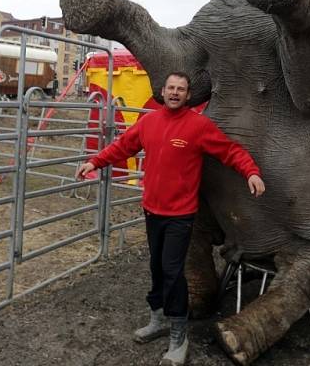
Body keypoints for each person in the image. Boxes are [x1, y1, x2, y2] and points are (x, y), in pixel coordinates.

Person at [75, 72, 265, 366]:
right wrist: (94, 161)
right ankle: (158, 317)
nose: (175, 93)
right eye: (171, 88)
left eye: (181, 89)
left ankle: (179, 334)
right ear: (162, 92)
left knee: (173, 272)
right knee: (156, 267)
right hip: (152, 210)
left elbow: (230, 151)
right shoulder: (148, 122)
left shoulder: (198, 126)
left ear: (188, 96)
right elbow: (123, 146)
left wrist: (251, 172)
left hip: (181, 215)